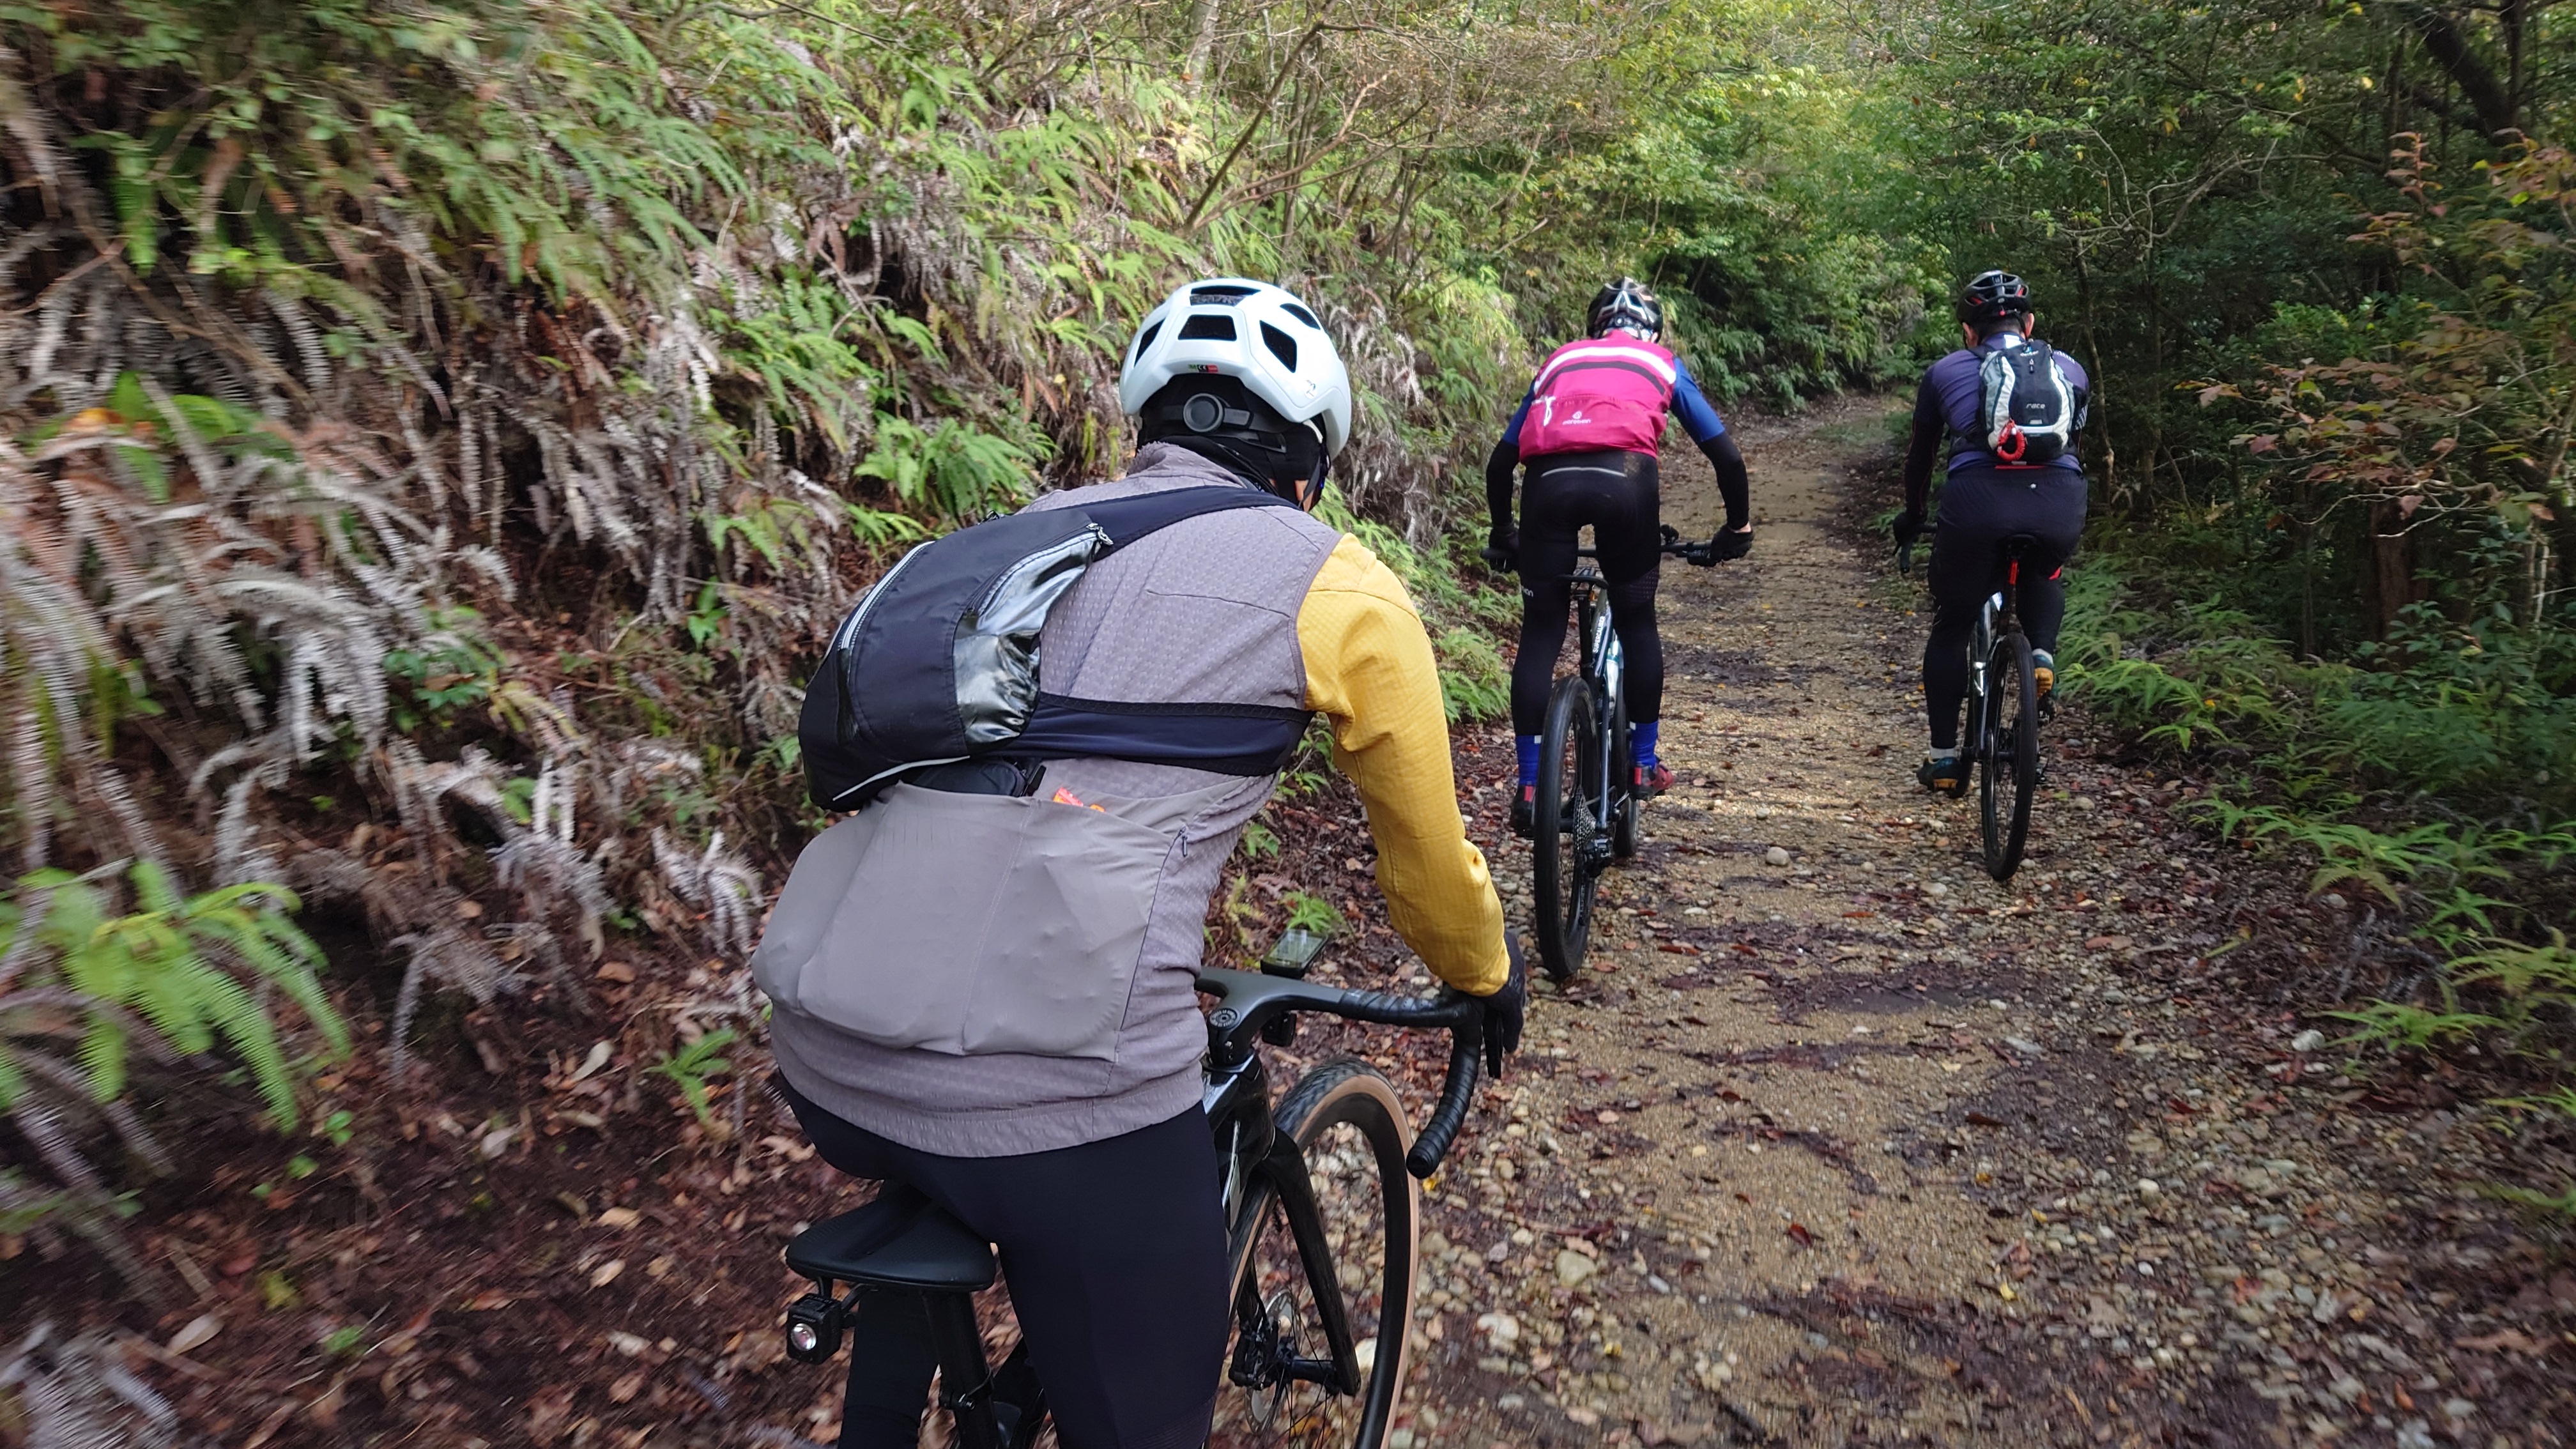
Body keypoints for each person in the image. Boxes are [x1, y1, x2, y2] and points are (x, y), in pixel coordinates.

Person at [753, 277, 1524, 1449]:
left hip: (823, 1045)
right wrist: (1481, 974)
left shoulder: (1016, 539)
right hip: (1067, 1102)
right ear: (1309, 463)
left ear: (1144, 430)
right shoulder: (1338, 584)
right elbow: (1422, 866)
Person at [1483, 277, 1752, 836]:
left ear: (1594, 329)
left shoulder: (1559, 362)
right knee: (1636, 619)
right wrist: (1736, 528)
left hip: (1547, 487)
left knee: (1540, 633)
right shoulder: (1661, 363)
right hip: (1626, 484)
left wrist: (1506, 532)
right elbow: (1726, 457)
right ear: (1652, 330)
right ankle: (1642, 764)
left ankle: (1530, 787)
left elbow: (1500, 463)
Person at [1893, 270, 2092, 794]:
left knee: (1953, 622)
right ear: (2029, 324)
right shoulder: (2070, 368)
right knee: (2045, 570)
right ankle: (2042, 654)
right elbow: (2073, 445)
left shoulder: (1944, 371)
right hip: (2057, 502)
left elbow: (1920, 457)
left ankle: (1943, 761)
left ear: (1968, 331)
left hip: (1976, 505)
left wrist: (1913, 515)